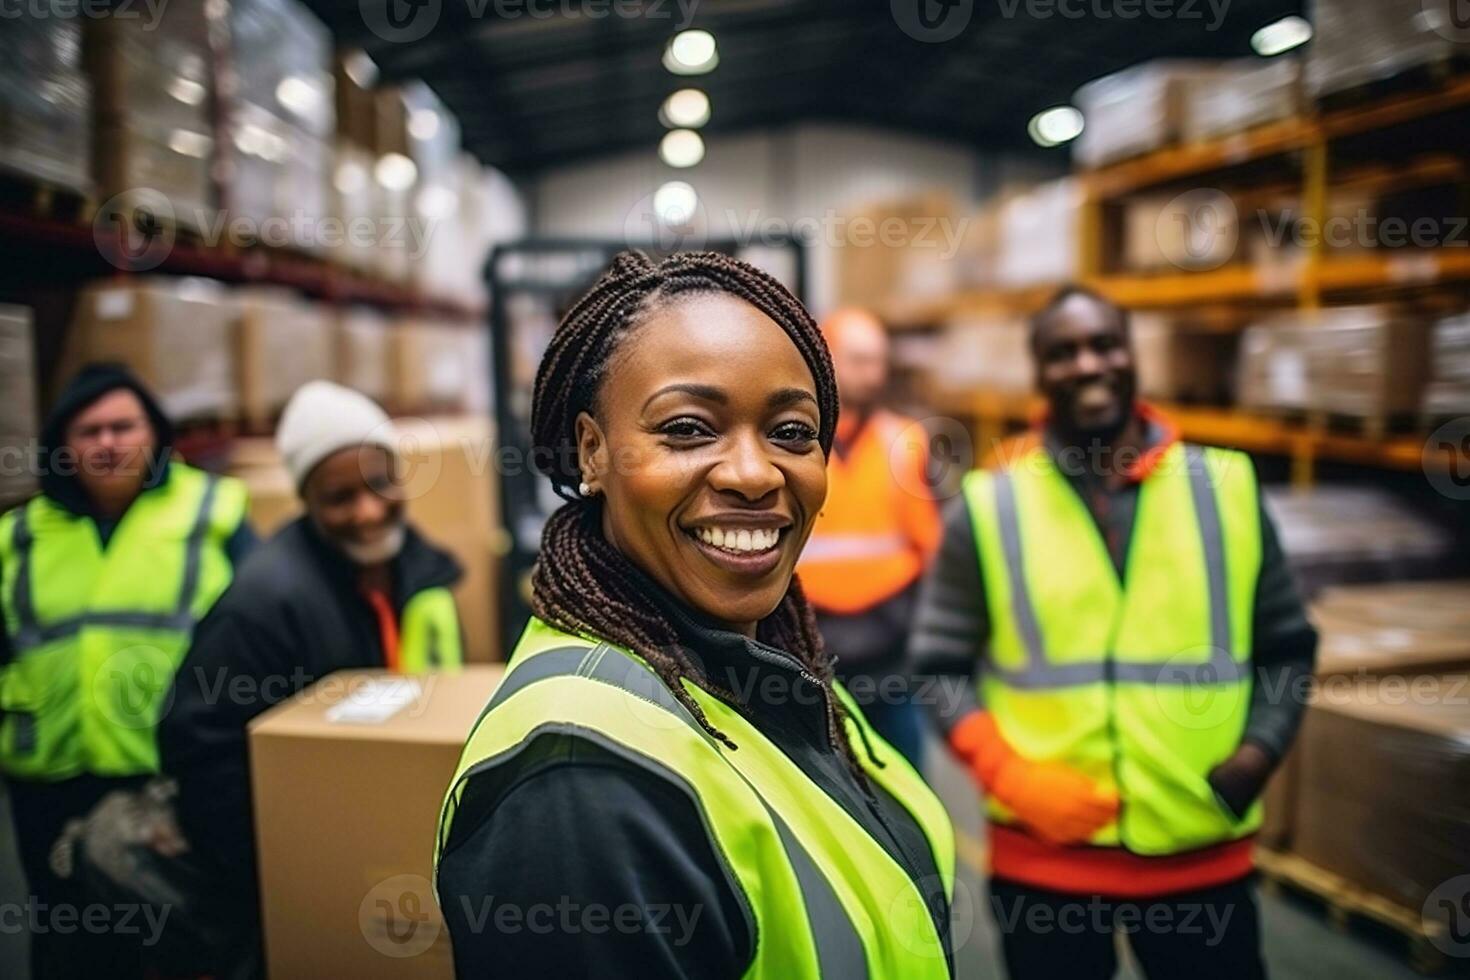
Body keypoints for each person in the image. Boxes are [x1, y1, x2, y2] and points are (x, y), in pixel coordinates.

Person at [435, 251, 956, 978]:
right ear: (593, 450)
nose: (753, 473)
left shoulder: (767, 660)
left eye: (792, 432)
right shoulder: (579, 784)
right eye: (686, 429)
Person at [911, 286, 1318, 980]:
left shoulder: (1226, 487)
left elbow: (1287, 646)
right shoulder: (989, 507)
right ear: (1039, 374)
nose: (1088, 364)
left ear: (1133, 357)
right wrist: (1010, 774)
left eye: (1105, 344)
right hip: (1046, 859)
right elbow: (936, 668)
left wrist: (1258, 753)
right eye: (1063, 352)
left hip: (1200, 849)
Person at [158, 380, 466, 978]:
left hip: (397, 836)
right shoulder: (265, 604)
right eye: (339, 497)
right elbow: (199, 749)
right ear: (307, 502)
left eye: (380, 484)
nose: (369, 511)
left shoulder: (413, 566)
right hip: (322, 869)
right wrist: (285, 870)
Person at [0, 364, 253, 979]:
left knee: (171, 948)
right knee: (69, 946)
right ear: (62, 444)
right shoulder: (19, 536)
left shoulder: (212, 511)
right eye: (89, 431)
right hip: (50, 784)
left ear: (156, 434)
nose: (108, 443)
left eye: (123, 426)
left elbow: (259, 632)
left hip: (165, 782)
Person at [797, 308, 940, 767]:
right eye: (859, 359)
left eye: (878, 361)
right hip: (809, 656)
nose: (872, 373)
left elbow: (933, 549)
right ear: (826, 359)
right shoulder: (793, 445)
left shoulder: (908, 442)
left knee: (909, 786)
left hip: (891, 661)